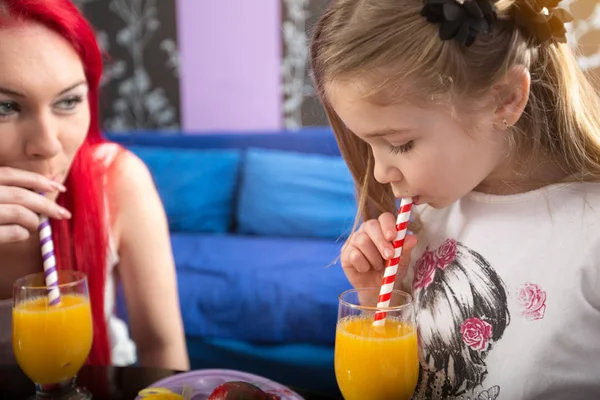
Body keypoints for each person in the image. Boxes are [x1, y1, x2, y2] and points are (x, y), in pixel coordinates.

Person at [311, 0, 600, 398]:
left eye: (401, 143)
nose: (378, 174)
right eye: (368, 145)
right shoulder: (430, 214)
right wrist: (381, 296)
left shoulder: (590, 236)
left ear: (506, 99)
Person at [0, 0, 189, 371]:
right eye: (5, 107)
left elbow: (161, 350)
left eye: (68, 101)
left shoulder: (117, 180)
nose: (49, 145)